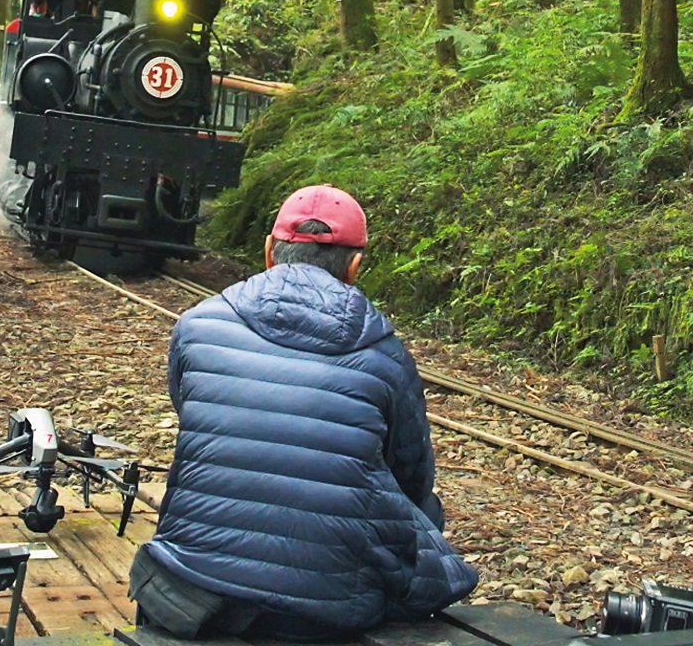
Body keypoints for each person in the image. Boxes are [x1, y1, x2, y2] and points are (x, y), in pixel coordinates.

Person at [130, 184, 478, 639]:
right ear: (354, 265)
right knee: (422, 509)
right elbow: (411, 478)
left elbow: (189, 409)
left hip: (189, 586)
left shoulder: (198, 325)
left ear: (270, 250)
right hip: (324, 611)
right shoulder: (384, 353)